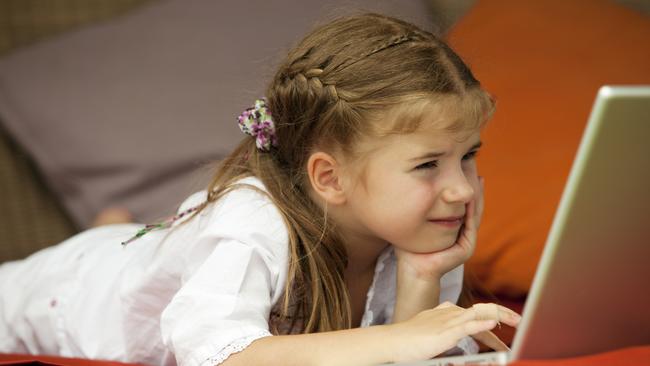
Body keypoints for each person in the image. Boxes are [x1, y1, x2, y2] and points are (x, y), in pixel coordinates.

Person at [0, 13, 521, 366]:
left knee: (134, 252)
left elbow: (406, 359)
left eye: (469, 156)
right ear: (329, 178)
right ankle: (108, 238)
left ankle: (115, 232)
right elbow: (221, 356)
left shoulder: (413, 233)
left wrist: (421, 279)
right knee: (90, 274)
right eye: (428, 164)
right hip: (53, 296)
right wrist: (401, 335)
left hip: (155, 257)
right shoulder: (253, 225)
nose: (460, 189)